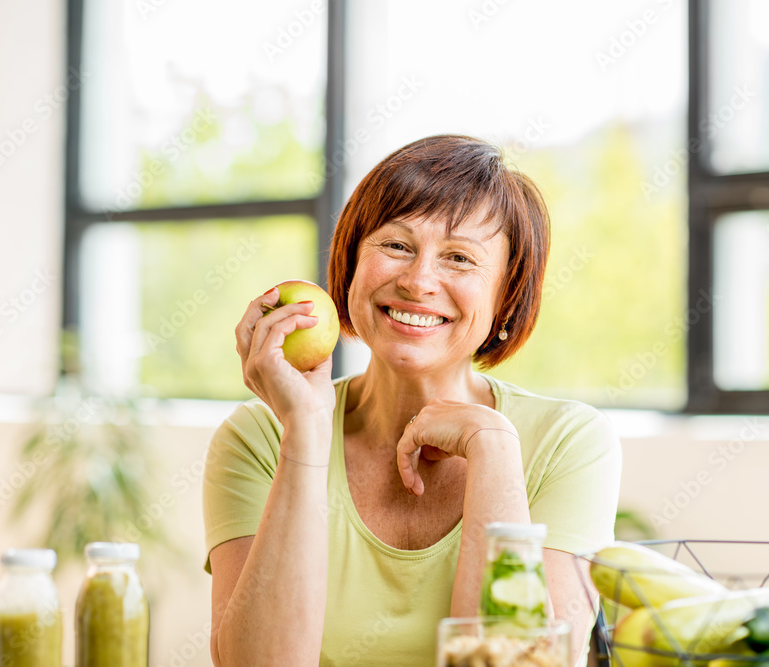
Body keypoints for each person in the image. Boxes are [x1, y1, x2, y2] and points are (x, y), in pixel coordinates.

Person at [203, 134, 622, 667]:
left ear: (506, 295)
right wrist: (306, 433)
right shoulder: (259, 439)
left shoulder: (569, 442)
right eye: (396, 245)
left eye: (459, 258)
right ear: (351, 262)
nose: (419, 281)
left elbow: (515, 664)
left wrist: (491, 447)